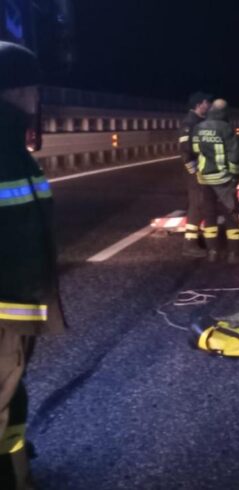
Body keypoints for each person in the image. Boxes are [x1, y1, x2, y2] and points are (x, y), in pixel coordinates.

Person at [0, 41, 66, 490]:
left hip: (20, 305)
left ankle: (14, 471)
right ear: (14, 91)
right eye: (32, 88)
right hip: (6, 306)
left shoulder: (13, 149)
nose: (37, 98)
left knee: (12, 392)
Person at [192, 99, 239, 264]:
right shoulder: (226, 128)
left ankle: (212, 253)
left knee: (209, 216)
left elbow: (195, 150)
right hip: (223, 179)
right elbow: (235, 155)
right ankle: (234, 254)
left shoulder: (198, 127)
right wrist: (236, 175)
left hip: (204, 179)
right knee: (230, 216)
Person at [179, 91, 212, 258]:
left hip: (202, 171)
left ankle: (196, 241)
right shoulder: (189, 123)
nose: (209, 105)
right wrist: (194, 171)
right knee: (196, 206)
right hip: (196, 172)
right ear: (199, 104)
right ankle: (189, 244)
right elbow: (185, 151)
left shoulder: (200, 122)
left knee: (201, 205)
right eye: (207, 102)